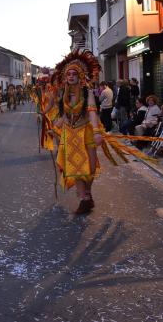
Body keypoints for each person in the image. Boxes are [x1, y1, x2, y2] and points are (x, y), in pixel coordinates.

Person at [52, 49, 103, 214]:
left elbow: (92, 112)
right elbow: (64, 117)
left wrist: (96, 132)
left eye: (74, 73)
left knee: (91, 168)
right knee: (76, 168)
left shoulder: (87, 93)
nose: (71, 76)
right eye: (68, 74)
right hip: (70, 135)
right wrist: (54, 125)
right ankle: (84, 199)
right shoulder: (63, 96)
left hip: (86, 133)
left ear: (80, 76)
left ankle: (87, 194)